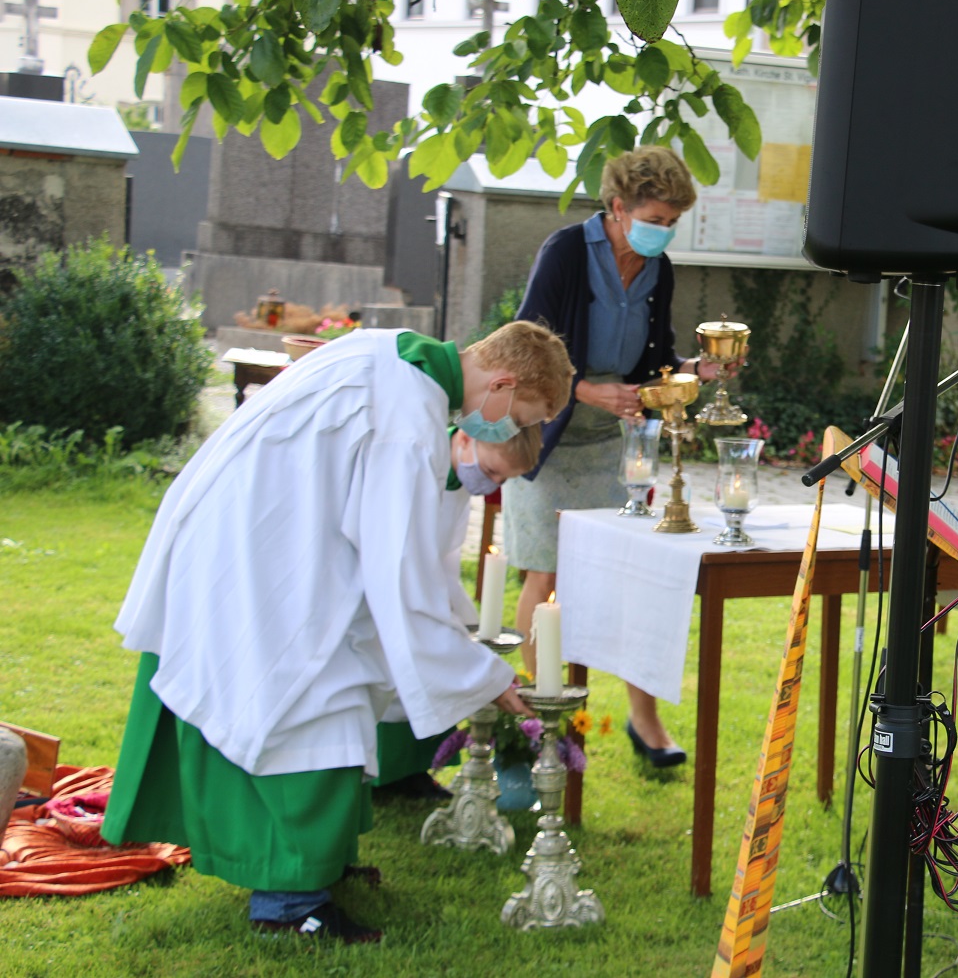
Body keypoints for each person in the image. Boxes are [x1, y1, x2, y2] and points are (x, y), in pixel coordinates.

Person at [101, 322, 574, 943]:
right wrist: (483, 674)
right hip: (265, 560)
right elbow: (399, 567)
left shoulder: (390, 351)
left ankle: (315, 872)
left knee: (336, 693)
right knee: (313, 704)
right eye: (520, 416)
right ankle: (289, 905)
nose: (510, 431)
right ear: (504, 382)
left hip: (257, 535)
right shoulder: (408, 415)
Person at [504, 145, 722, 769]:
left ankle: (644, 720)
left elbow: (653, 363)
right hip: (545, 433)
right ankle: (545, 718)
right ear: (619, 207)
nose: (664, 231)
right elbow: (523, 348)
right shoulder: (567, 252)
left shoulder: (660, 269)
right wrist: (583, 388)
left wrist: (695, 370)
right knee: (546, 578)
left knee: (631, 579)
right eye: (657, 217)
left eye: (674, 221)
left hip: (615, 446)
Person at [373, 423, 545, 802]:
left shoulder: (458, 478)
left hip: (427, 584)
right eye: (491, 472)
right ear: (465, 438)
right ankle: (379, 775)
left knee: (441, 656)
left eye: (503, 478)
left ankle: (412, 771)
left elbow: (444, 556)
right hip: (388, 589)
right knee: (395, 669)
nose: (492, 483)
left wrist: (462, 625)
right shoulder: (420, 467)